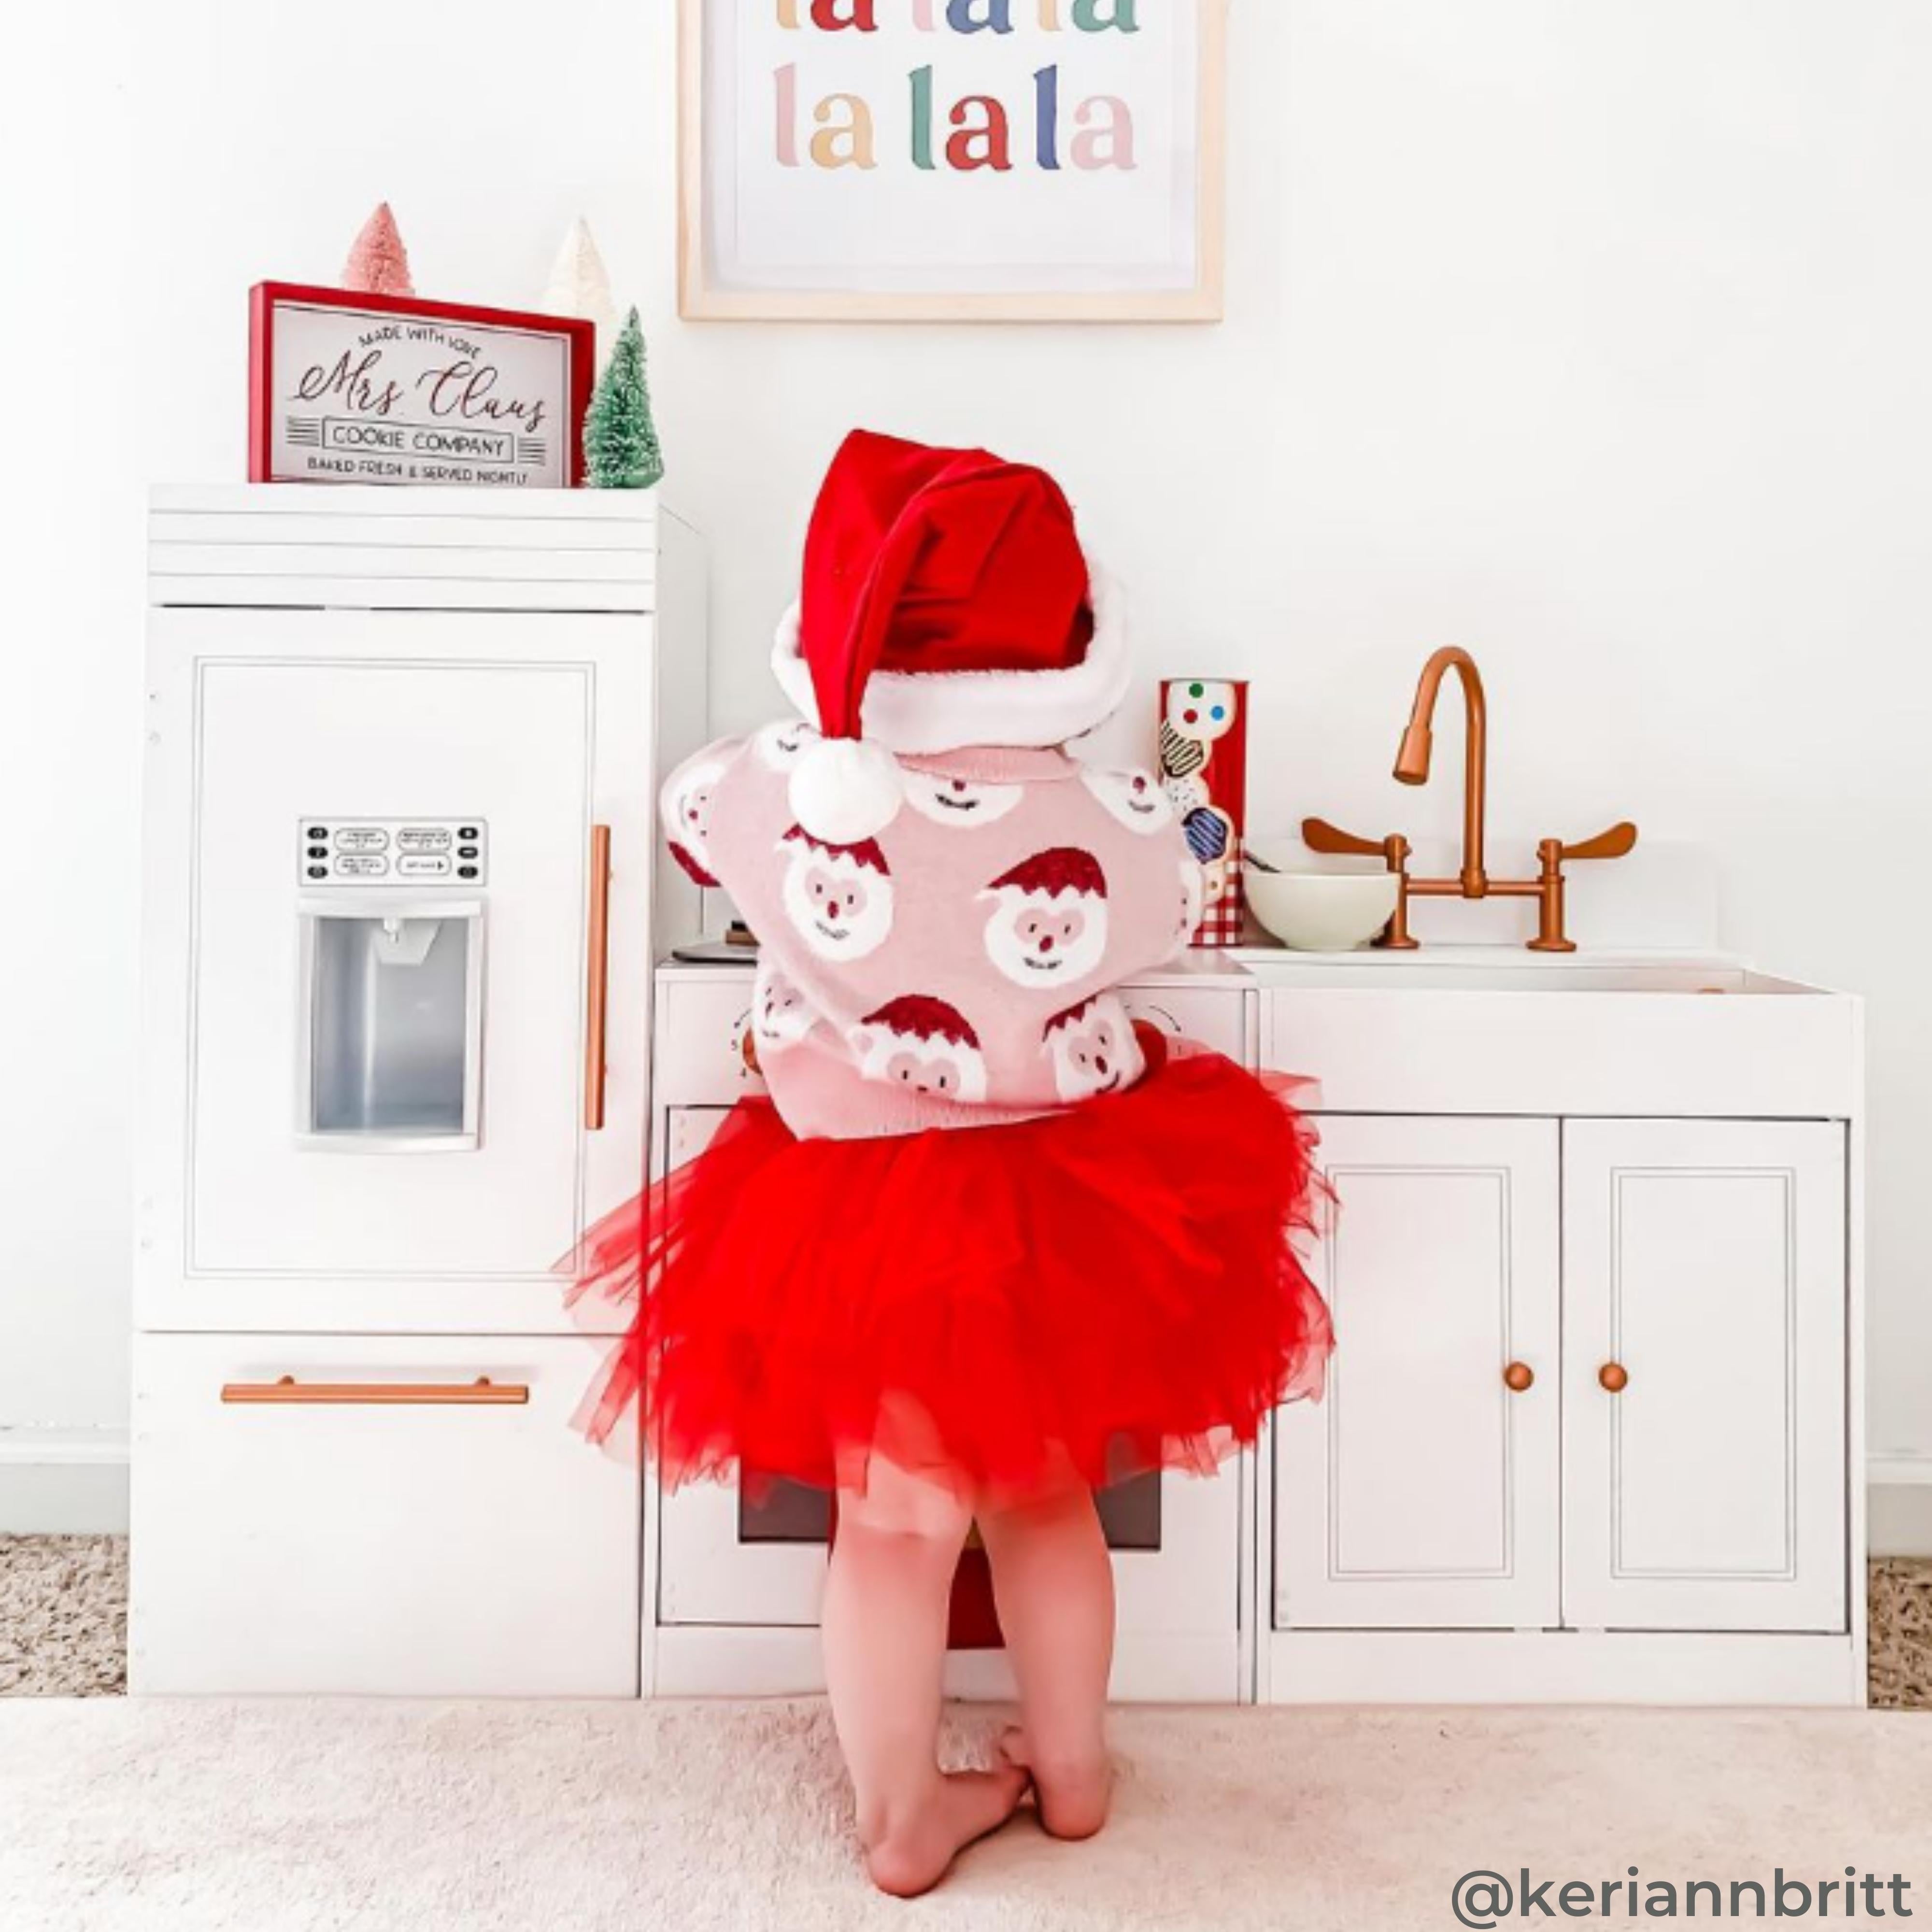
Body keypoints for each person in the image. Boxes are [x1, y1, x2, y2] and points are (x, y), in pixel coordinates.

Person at [569, 429, 1332, 1897]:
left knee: (895, 1524)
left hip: (846, 1202)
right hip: (1064, 1196)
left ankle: (907, 1817)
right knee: (1046, 1496)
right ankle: (1079, 1773)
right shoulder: (1133, 819)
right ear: (1074, 648)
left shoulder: (767, 786)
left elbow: (683, 816)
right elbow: (1192, 883)